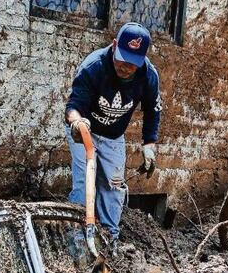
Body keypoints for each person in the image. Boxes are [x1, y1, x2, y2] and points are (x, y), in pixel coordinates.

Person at [65, 22, 161, 242]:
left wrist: (149, 147)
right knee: (84, 184)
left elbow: (153, 111)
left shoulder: (148, 75)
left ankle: (110, 239)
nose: (126, 66)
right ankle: (77, 239)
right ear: (115, 44)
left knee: (113, 186)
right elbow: (73, 106)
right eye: (122, 58)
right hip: (84, 132)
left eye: (132, 63)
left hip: (114, 135)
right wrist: (77, 123)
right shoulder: (94, 66)